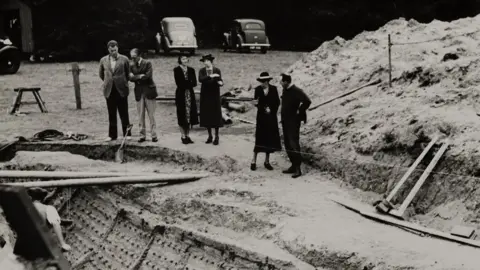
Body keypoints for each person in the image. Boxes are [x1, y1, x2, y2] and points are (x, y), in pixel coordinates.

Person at [14, 188, 71, 254]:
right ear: (43, 198)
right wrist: (63, 244)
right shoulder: (49, 208)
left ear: (30, 197)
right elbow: (55, 224)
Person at [279, 73, 311, 178]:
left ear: (287, 82)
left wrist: (299, 111)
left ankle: (298, 169)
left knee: (293, 144)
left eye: (282, 81)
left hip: (293, 122)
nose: (280, 83)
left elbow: (307, 101)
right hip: (285, 121)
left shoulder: (297, 91)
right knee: (287, 144)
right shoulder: (285, 90)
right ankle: (293, 165)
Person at [99, 40, 132, 141]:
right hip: (109, 90)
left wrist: (122, 82)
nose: (113, 51)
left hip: (121, 89)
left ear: (118, 48)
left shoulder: (124, 59)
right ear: (108, 49)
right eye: (111, 50)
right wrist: (108, 82)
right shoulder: (103, 60)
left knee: (124, 113)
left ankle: (127, 134)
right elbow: (101, 74)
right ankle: (112, 135)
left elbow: (128, 73)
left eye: (115, 49)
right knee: (111, 113)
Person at [251, 72, 281, 171]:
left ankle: (267, 161)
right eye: (260, 82)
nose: (262, 84)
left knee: (269, 139)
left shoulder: (274, 89)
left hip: (271, 118)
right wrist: (257, 105)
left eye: (263, 82)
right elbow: (256, 102)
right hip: (261, 118)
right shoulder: (258, 90)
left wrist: (271, 110)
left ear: (267, 81)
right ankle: (253, 160)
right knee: (259, 138)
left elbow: (277, 102)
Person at [129, 48, 158, 143]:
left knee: (152, 115)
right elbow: (130, 78)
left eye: (134, 57)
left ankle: (154, 135)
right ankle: (142, 135)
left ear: (139, 55)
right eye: (131, 57)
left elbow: (147, 76)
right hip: (138, 92)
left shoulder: (148, 63)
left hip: (149, 91)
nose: (132, 59)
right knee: (140, 115)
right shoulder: (131, 65)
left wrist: (136, 77)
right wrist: (139, 76)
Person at [198, 54, 223, 145]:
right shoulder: (202, 71)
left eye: (207, 61)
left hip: (214, 94)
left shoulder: (217, 70)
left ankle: (216, 136)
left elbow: (220, 80)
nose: (205, 63)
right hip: (205, 94)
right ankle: (209, 136)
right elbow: (200, 79)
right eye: (204, 61)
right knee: (207, 115)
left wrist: (220, 83)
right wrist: (211, 76)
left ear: (211, 61)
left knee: (216, 115)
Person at [174, 55, 199, 144]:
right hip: (181, 94)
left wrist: (187, 83)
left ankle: (188, 135)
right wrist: (188, 83)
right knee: (181, 114)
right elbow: (179, 83)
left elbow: (194, 82)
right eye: (183, 59)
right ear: (180, 60)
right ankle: (182, 135)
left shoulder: (191, 70)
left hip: (189, 94)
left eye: (186, 59)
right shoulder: (176, 70)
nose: (185, 60)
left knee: (189, 115)